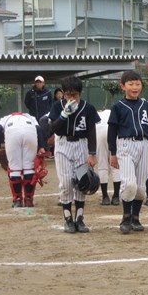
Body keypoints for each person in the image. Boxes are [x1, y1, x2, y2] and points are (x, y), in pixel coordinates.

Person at [48, 76, 101, 233]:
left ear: (81, 92)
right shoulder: (58, 106)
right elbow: (54, 129)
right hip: (63, 144)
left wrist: (92, 153)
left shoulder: (88, 108)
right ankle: (68, 219)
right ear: (63, 93)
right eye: (68, 94)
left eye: (75, 94)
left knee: (82, 182)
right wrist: (64, 114)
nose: (71, 98)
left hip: (81, 145)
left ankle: (79, 219)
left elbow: (91, 131)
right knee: (66, 183)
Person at [108, 70, 148, 234]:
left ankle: (135, 217)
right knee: (129, 184)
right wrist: (113, 153)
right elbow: (112, 131)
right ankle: (126, 217)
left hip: (143, 145)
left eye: (137, 84)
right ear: (123, 86)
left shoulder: (146, 106)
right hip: (125, 145)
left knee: (141, 188)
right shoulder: (118, 107)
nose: (135, 87)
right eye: (130, 84)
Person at [0, 112, 47, 208]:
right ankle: (29, 199)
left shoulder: (5, 118)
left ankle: (17, 200)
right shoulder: (30, 117)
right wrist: (41, 146)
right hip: (30, 131)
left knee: (14, 169)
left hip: (12, 132)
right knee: (29, 167)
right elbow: (39, 129)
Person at [96, 109, 121, 206]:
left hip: (98, 131)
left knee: (102, 166)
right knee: (115, 166)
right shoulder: (112, 112)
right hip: (113, 131)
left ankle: (105, 197)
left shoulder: (97, 114)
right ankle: (116, 196)